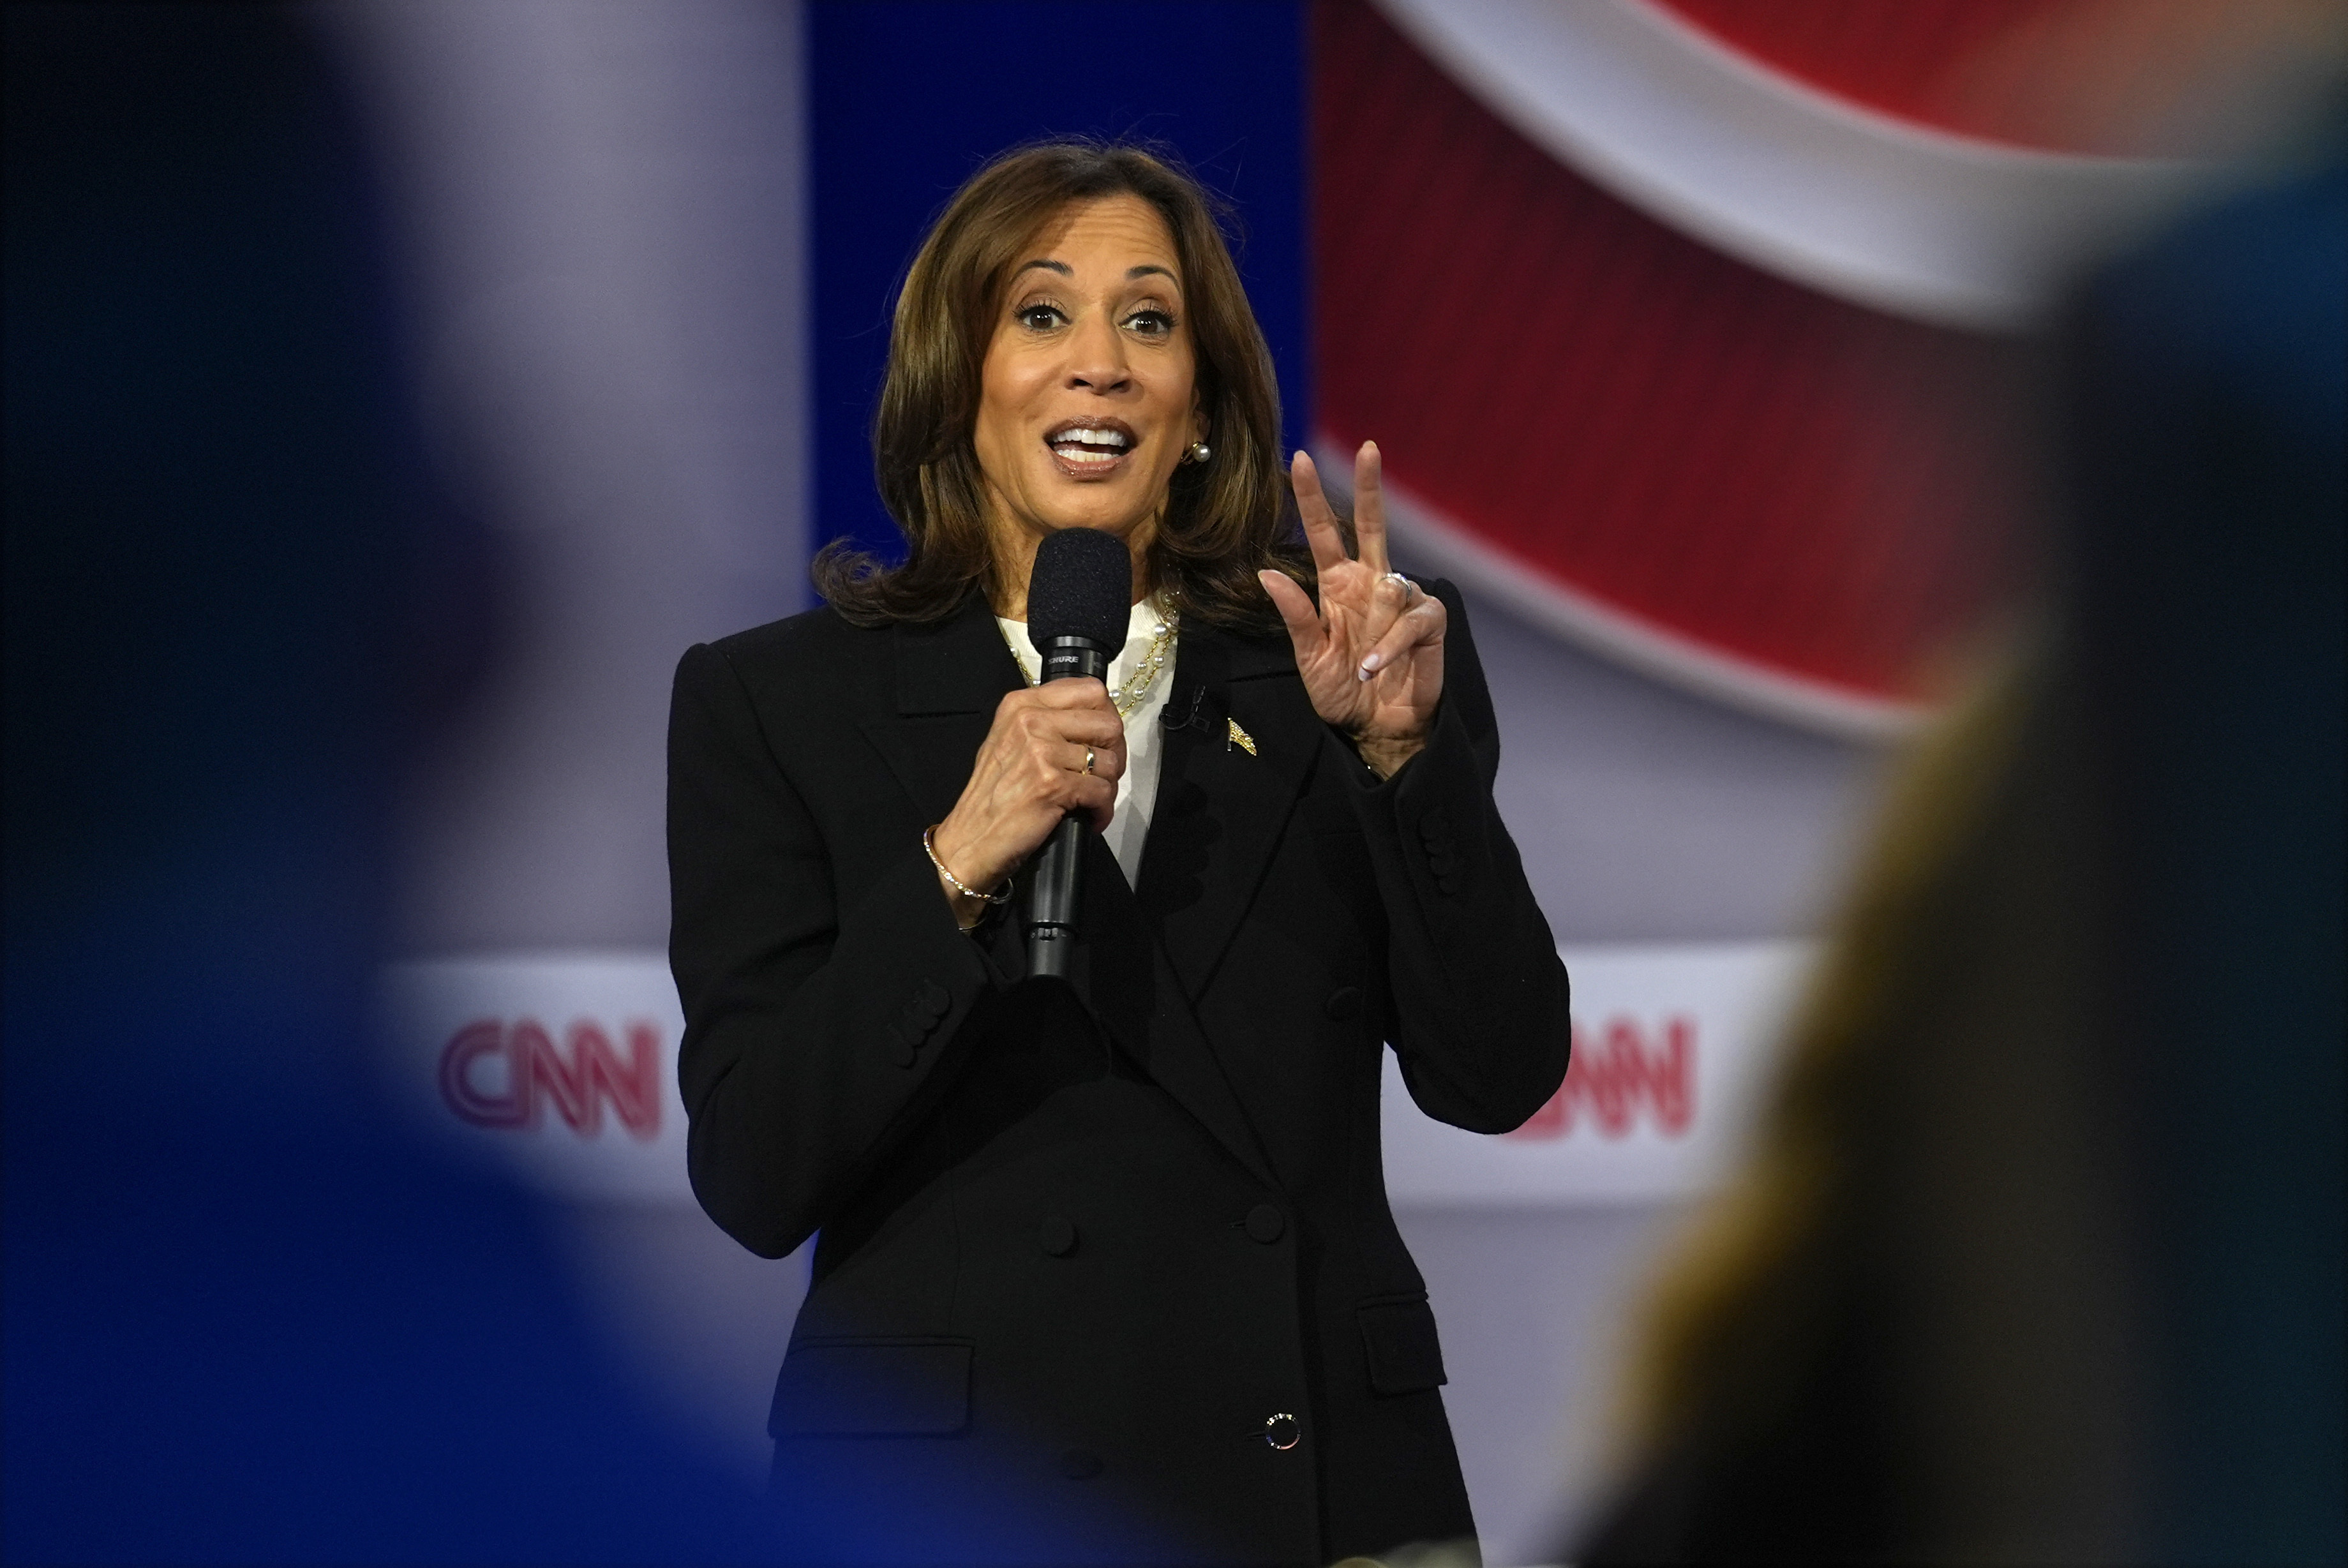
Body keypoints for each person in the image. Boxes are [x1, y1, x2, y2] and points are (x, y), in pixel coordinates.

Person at [667, 140, 1571, 1564]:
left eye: (1148, 320)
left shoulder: (1346, 661)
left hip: (1317, 1483)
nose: (1098, 361)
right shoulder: (774, 700)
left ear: (1199, 407)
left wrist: (1403, 759)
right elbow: (756, 1168)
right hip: (942, 1499)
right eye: (1040, 314)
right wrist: (961, 854)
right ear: (956, 383)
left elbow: (1497, 1074)